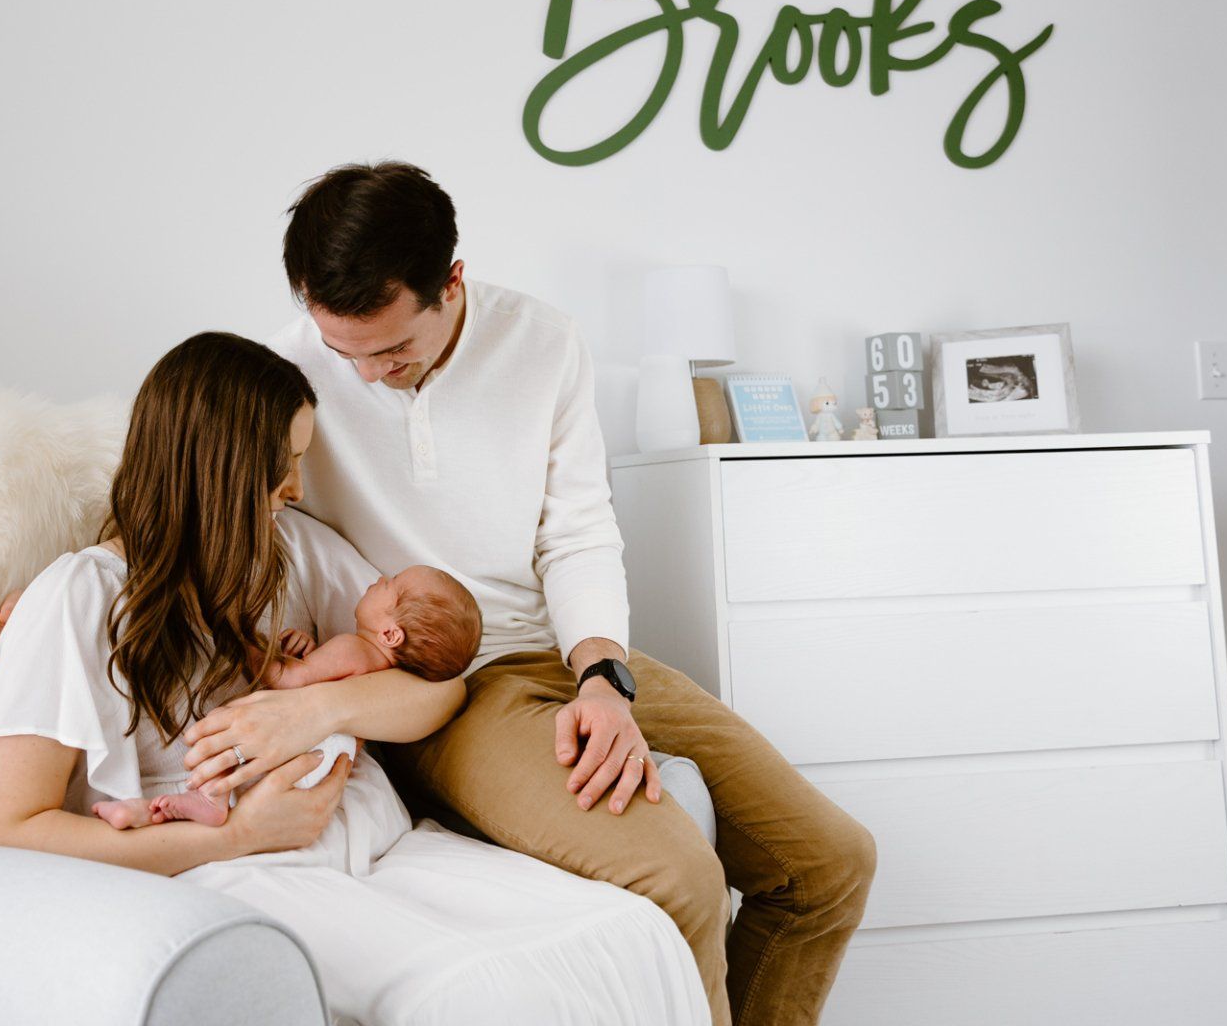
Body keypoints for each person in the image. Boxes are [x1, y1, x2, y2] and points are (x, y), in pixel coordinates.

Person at [177, 162, 876, 1026]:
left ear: (453, 283)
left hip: (555, 650)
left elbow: (577, 533)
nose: (364, 375)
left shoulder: (542, 341)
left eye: (393, 349)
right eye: (343, 351)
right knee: (681, 875)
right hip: (438, 689)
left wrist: (602, 680)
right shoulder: (286, 374)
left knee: (830, 865)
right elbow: (190, 494)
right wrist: (73, 589)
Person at [0, 331, 706, 1024]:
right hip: (231, 863)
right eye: (285, 464)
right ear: (222, 470)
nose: (299, 489)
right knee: (472, 995)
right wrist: (240, 835)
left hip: (371, 842)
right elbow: (7, 831)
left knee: (626, 936)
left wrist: (307, 715)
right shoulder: (78, 599)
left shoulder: (291, 552)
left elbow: (435, 684)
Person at [89, 566, 481, 831]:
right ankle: (168, 811)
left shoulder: (351, 648)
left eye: (389, 585)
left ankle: (189, 804)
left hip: (306, 749)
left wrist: (239, 637)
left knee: (227, 744)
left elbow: (289, 680)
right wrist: (307, 651)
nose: (378, 578)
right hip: (327, 758)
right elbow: (316, 675)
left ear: (391, 634)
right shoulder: (374, 666)